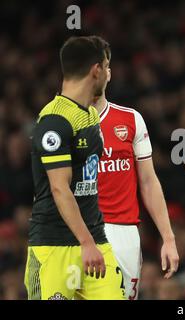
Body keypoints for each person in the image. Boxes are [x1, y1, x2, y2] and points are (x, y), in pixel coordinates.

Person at [25, 36, 124, 300]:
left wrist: (92, 241)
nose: (108, 74)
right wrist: (86, 242)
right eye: (106, 66)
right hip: (54, 245)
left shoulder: (89, 114)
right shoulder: (54, 121)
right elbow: (59, 188)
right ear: (96, 70)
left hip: (94, 239)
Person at [94, 66, 179, 300]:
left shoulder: (130, 119)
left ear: (109, 73)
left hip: (124, 233)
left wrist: (168, 238)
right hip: (80, 231)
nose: (93, 75)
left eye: (99, 68)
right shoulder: (64, 123)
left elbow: (148, 181)